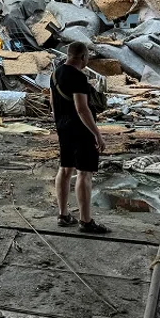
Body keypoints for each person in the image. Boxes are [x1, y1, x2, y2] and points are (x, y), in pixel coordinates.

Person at [51, 41, 110, 234]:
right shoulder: (78, 77)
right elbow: (82, 109)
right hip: (80, 130)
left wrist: (59, 123)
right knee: (84, 173)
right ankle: (85, 221)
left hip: (63, 127)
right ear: (83, 57)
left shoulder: (55, 73)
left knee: (65, 168)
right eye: (87, 58)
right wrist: (97, 135)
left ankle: (63, 215)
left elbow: (52, 102)